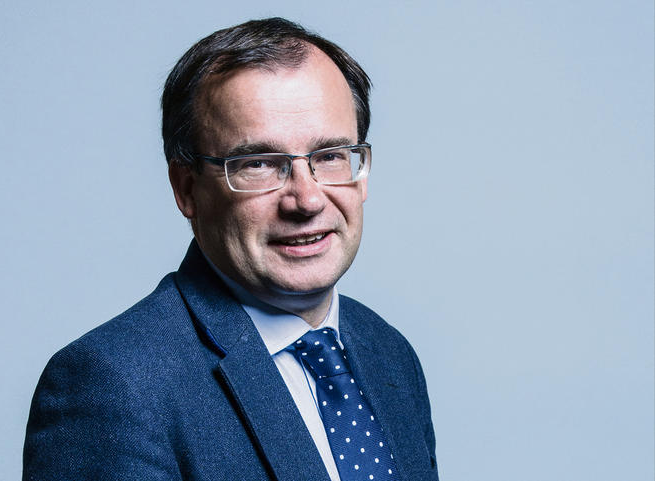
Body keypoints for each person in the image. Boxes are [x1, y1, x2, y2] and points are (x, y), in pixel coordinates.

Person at [23, 17, 438, 481]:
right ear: (187, 189)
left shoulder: (388, 352)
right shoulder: (112, 386)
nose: (307, 200)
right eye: (258, 163)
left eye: (330, 156)